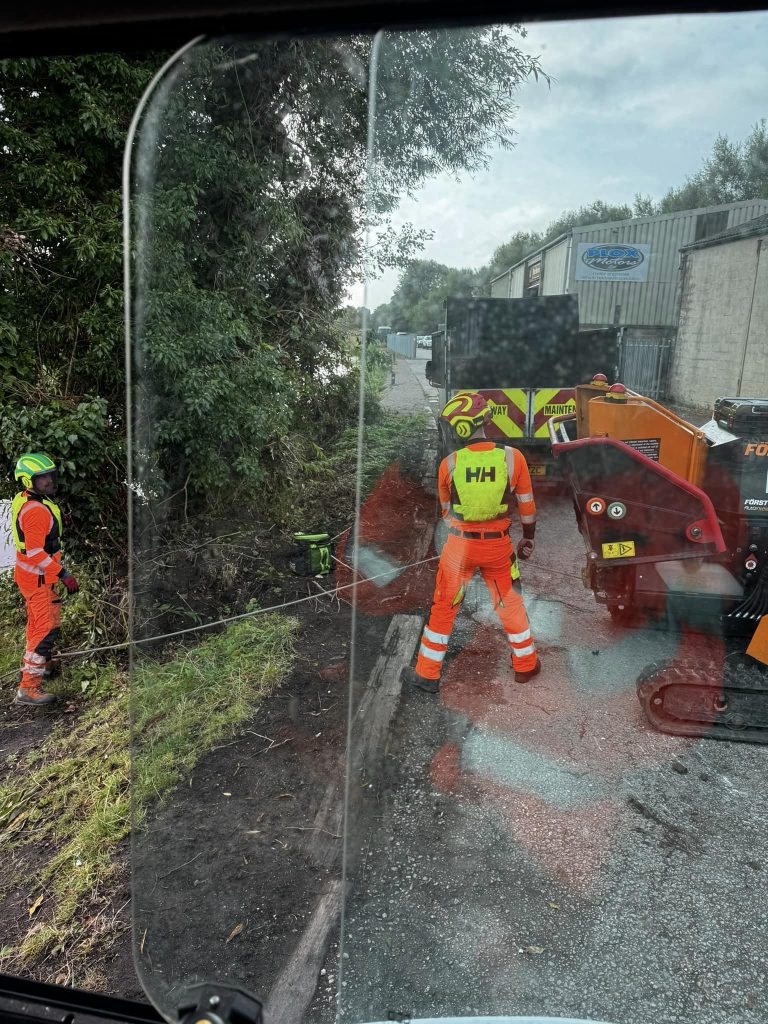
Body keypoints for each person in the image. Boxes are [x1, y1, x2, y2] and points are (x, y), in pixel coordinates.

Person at [402, 392, 540, 694]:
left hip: (459, 548)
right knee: (510, 604)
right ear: (485, 419)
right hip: (498, 547)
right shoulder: (512, 458)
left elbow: (446, 512)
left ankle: (427, 674)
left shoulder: (448, 464)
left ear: (460, 428)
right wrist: (527, 538)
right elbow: (527, 507)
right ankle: (526, 666)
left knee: (444, 607)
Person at [11, 453, 79, 706]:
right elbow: (36, 552)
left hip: (31, 577)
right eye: (42, 478)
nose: (49, 481)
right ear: (28, 481)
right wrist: (64, 574)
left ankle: (45, 665)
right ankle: (28, 688)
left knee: (37, 623)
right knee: (45, 628)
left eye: (50, 475)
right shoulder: (36, 511)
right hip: (39, 579)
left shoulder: (24, 499)